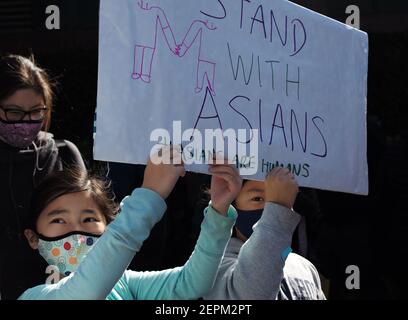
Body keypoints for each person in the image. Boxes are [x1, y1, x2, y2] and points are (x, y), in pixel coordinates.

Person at [19, 148, 241, 300]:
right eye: (58, 220)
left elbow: (193, 283)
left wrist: (218, 211)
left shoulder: (124, 283)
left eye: (89, 219)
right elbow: (86, 291)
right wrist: (150, 194)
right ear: (33, 238)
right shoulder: (34, 295)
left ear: (109, 226)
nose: (77, 230)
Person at [0, 54, 86, 299]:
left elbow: (87, 231)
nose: (26, 122)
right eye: (14, 113)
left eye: (36, 112)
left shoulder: (63, 154)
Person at [204, 167, 326, 300]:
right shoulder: (212, 267)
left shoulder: (304, 267)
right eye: (257, 199)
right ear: (231, 207)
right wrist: (278, 208)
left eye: (281, 195)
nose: (269, 207)